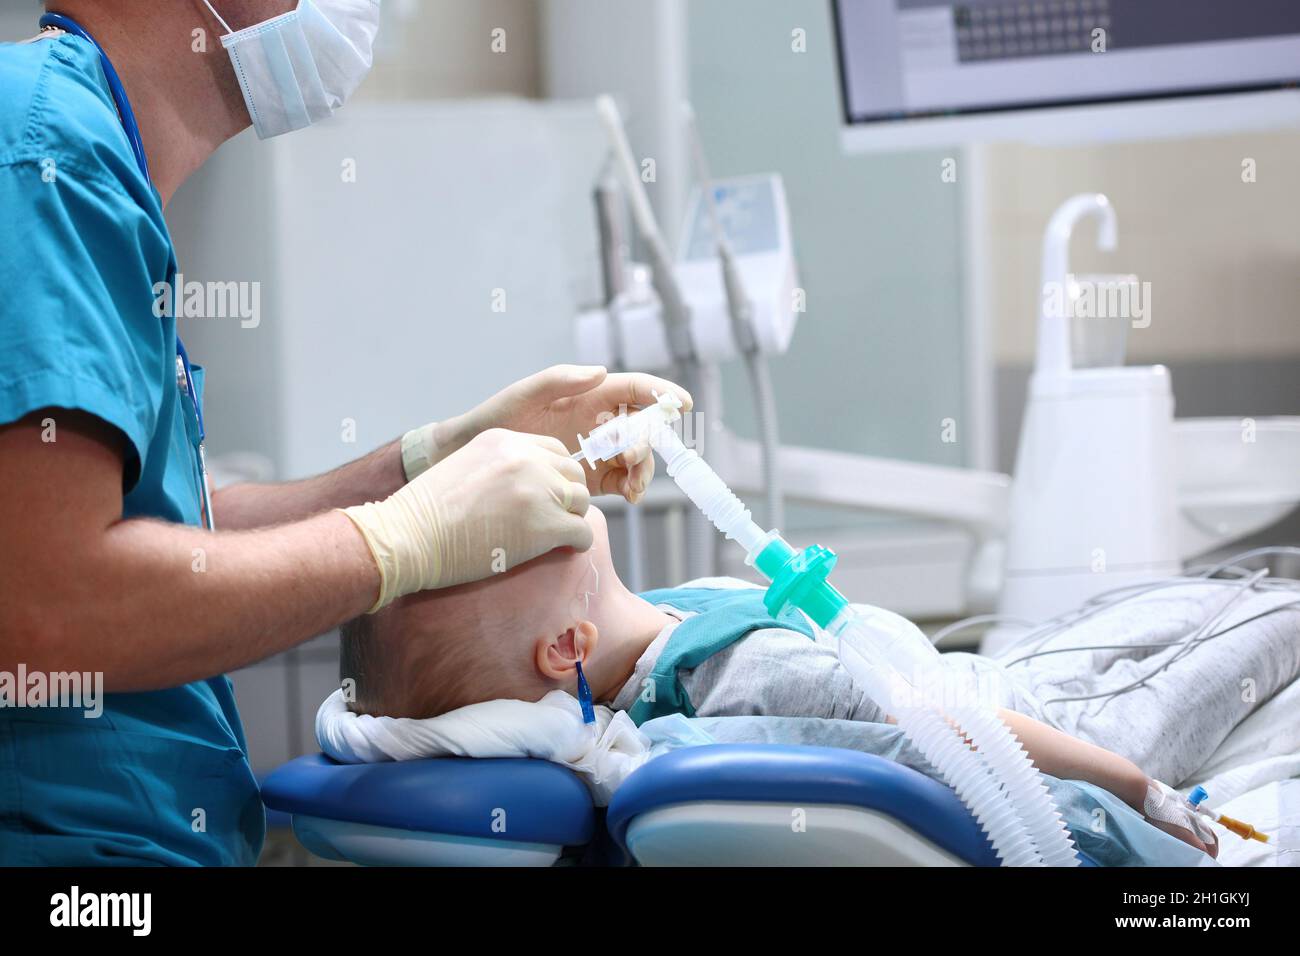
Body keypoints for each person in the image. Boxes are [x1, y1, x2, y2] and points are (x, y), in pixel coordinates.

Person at [0, 0, 690, 865]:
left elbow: (170, 535)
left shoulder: (86, 158)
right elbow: (51, 599)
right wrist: (397, 542)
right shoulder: (47, 157)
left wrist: (419, 465)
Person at [339, 505, 1222, 859]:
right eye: (499, 533)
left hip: (994, 677)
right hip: (1051, 722)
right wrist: (1137, 787)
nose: (519, 497)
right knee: (1250, 621)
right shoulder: (742, 681)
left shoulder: (641, 646)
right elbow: (947, 724)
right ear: (566, 646)